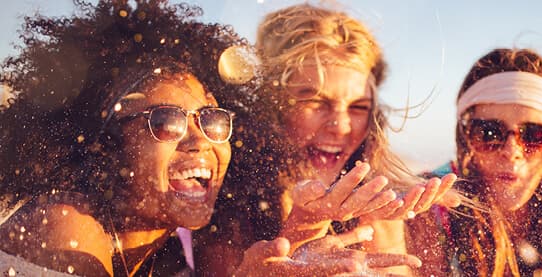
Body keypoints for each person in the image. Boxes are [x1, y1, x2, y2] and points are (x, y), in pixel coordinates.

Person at [0, 1, 413, 276]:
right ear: (104, 143)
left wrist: (302, 232)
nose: (200, 141)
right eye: (167, 121)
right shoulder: (63, 226)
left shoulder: (161, 245)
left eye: (213, 120)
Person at [196, 3, 459, 276]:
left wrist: (382, 224)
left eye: (358, 108)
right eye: (316, 102)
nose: (341, 127)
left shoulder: (381, 200)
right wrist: (306, 226)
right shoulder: (227, 204)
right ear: (271, 106)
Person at [407, 48, 542, 276]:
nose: (512, 151)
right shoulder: (430, 203)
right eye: (489, 133)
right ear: (466, 138)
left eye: (533, 135)